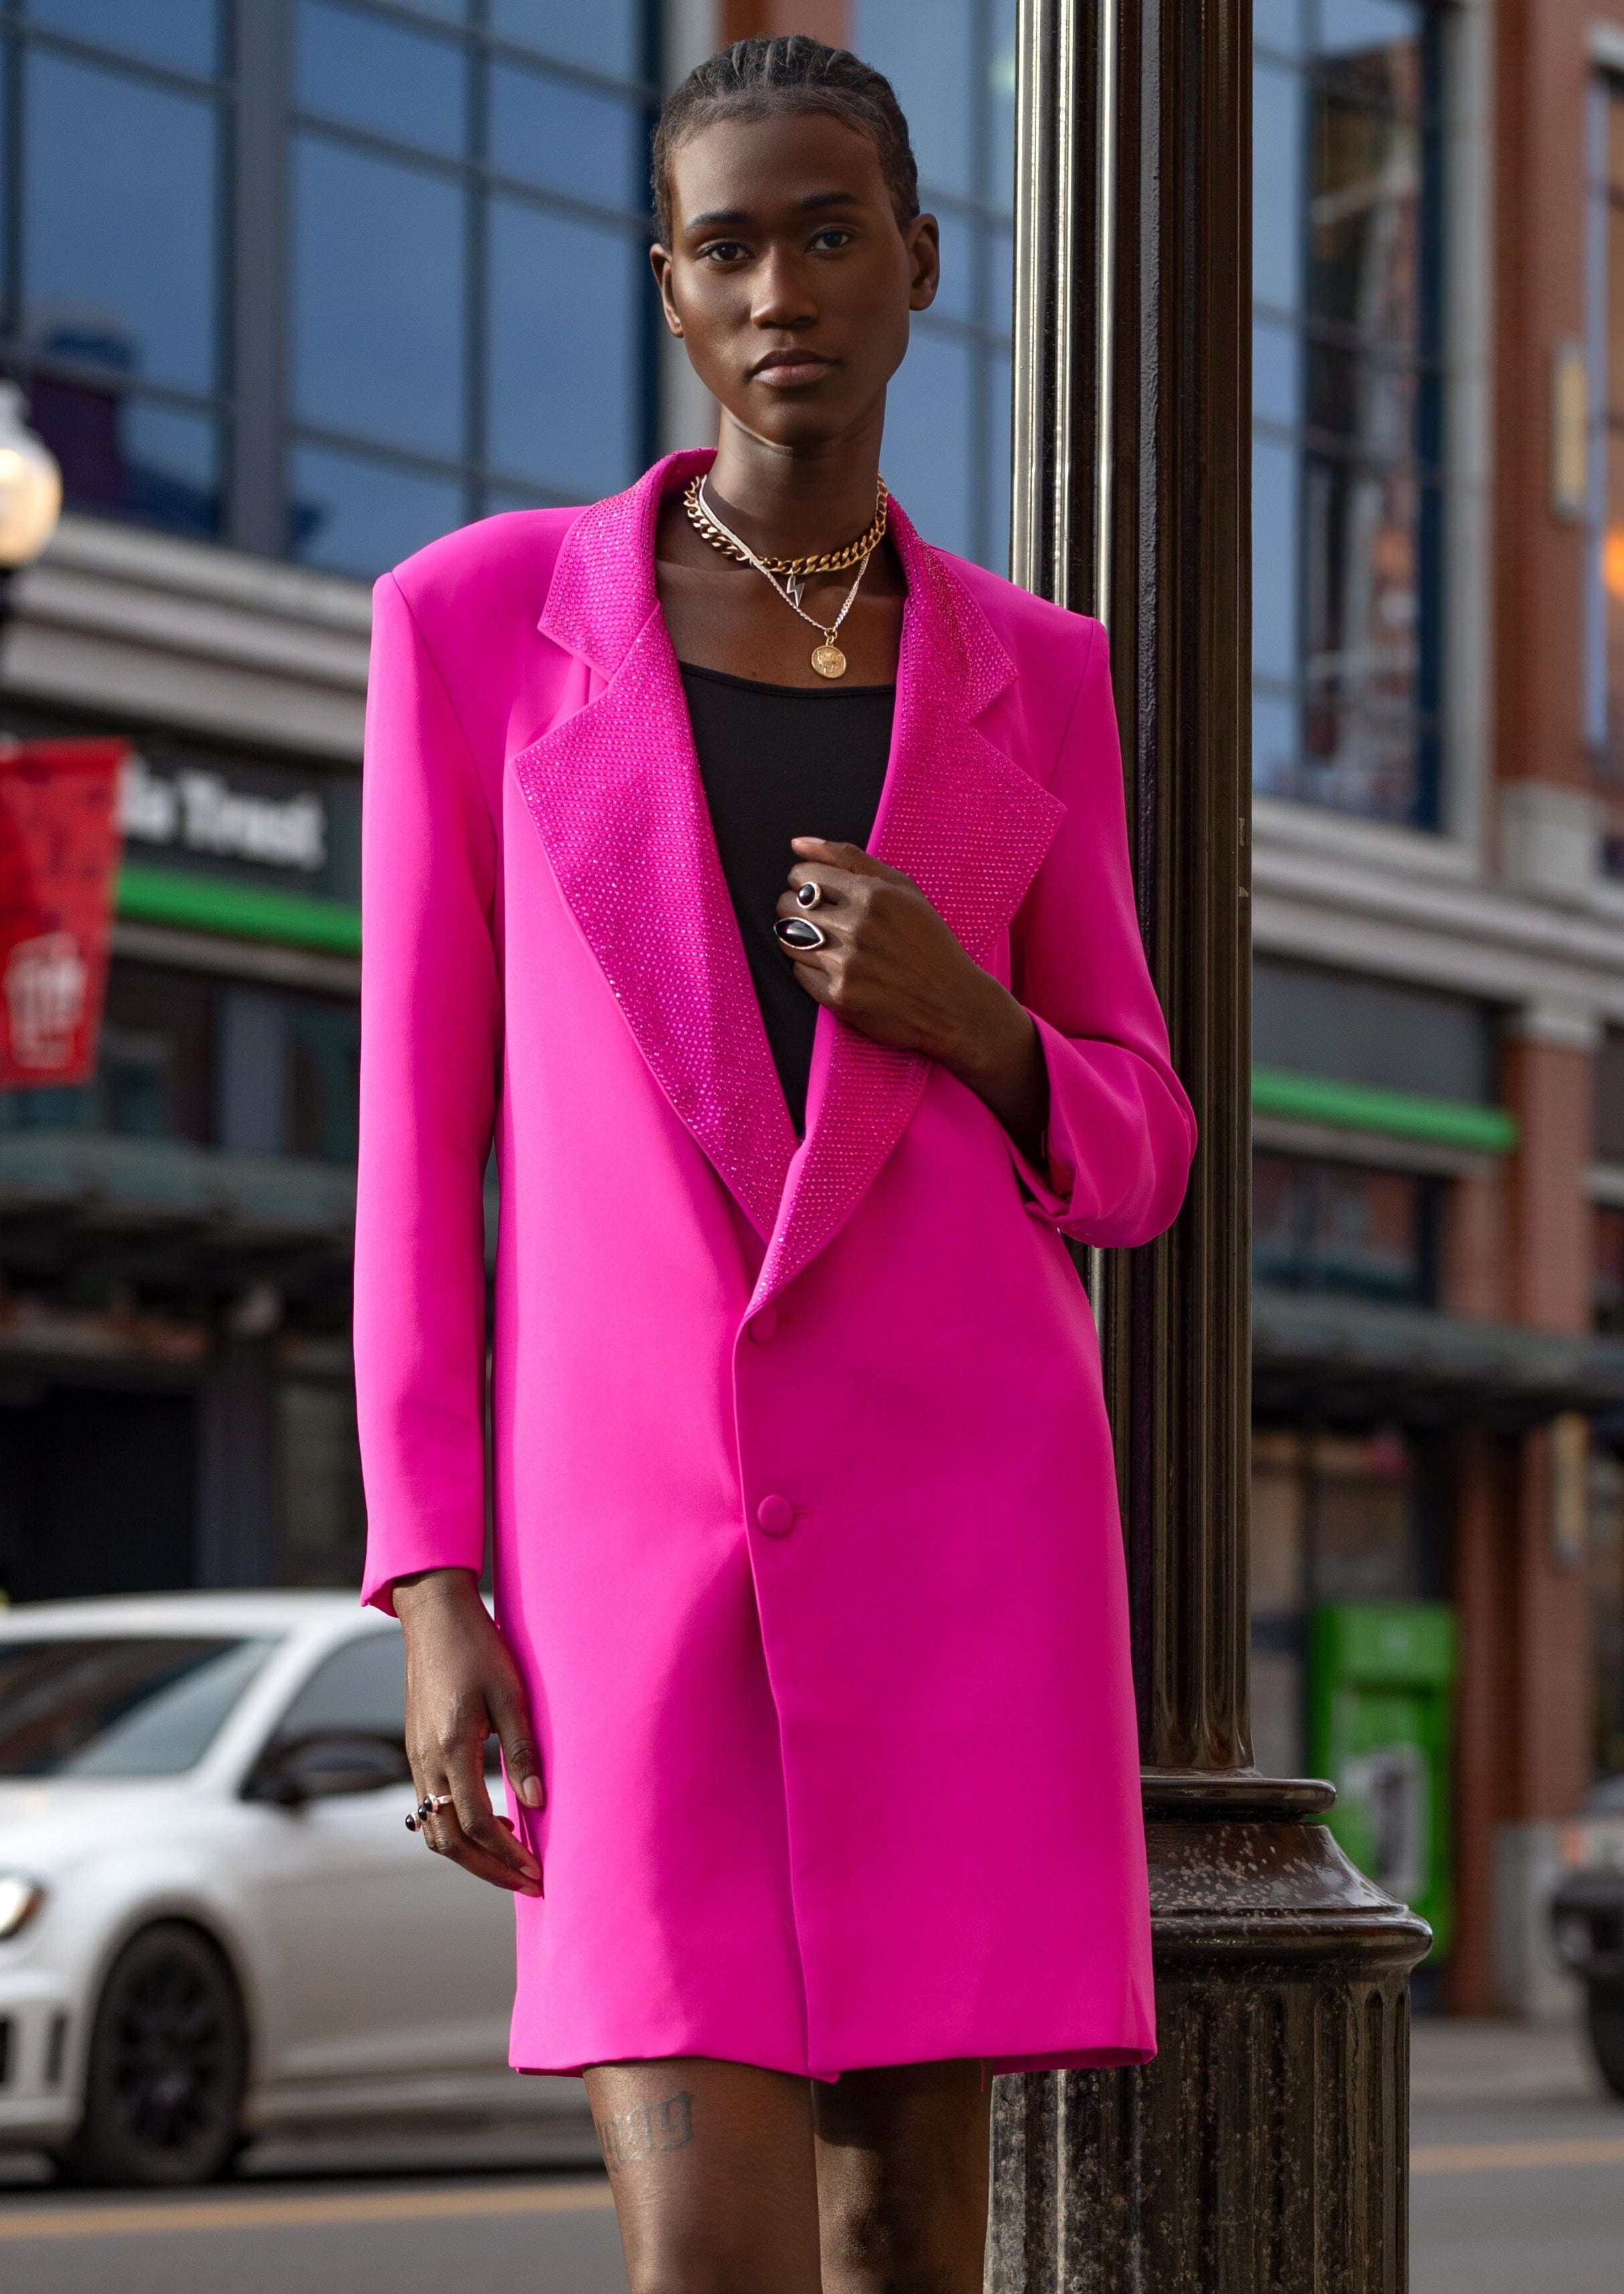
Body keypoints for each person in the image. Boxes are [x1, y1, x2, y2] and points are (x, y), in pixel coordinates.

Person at [354, 35, 1195, 2294]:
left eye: (833, 232)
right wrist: (437, 1583)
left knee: (909, 2249)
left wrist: (981, 1024)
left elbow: (1141, 1150)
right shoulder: (470, 634)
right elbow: (415, 1154)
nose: (784, 286)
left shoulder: (1038, 676)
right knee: (705, 2255)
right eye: (729, 244)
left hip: (962, 1558)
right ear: (670, 290)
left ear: (921, 263)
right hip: (639, 1579)